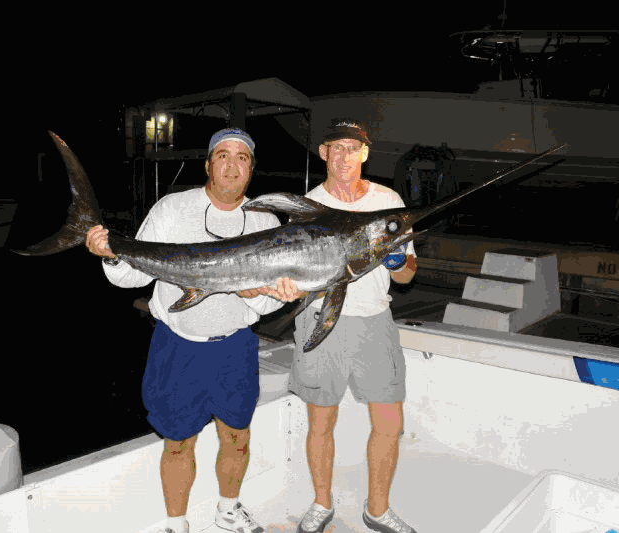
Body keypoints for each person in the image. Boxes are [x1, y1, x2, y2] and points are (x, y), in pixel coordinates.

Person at [85, 128, 301, 533]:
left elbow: (269, 302)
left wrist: (264, 294)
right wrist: (111, 255)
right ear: (207, 164)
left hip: (235, 348)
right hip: (177, 346)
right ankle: (176, 523)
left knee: (237, 436)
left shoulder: (266, 222)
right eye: (223, 156)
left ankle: (228, 510)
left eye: (242, 158)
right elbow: (131, 277)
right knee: (178, 441)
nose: (232, 166)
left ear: (252, 169)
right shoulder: (172, 208)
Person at [290, 119, 419, 533]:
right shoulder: (307, 207)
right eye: (336, 147)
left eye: (353, 148)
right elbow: (293, 275)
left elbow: (407, 276)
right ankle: (321, 503)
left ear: (364, 153)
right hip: (319, 317)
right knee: (321, 422)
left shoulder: (388, 202)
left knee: (390, 423)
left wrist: (397, 262)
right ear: (323, 153)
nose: (344, 156)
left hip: (374, 320)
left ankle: (377, 509)